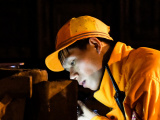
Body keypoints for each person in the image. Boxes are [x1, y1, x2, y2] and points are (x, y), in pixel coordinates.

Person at [45, 15, 160, 120]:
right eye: (67, 70)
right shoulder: (120, 86)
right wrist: (91, 118)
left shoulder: (146, 71)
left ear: (96, 45)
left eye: (73, 63)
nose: (72, 76)